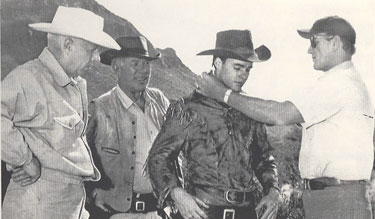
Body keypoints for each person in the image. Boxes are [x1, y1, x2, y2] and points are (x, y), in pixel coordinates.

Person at [197, 16, 374, 219]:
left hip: (339, 201)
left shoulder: (340, 84)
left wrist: (222, 94)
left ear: (334, 43)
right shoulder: (342, 83)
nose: (310, 50)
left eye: (314, 42)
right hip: (331, 198)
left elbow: (278, 114)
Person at [1, 6, 120, 219]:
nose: (95, 59)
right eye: (91, 50)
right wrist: (24, 159)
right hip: (39, 204)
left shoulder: (76, 85)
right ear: (68, 45)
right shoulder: (28, 78)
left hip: (69, 202)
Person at [148, 29, 281, 219]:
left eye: (248, 69)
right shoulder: (188, 108)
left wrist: (273, 190)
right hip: (202, 212)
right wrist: (177, 194)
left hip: (247, 212)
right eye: (238, 68)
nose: (244, 75)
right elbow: (158, 157)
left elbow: (264, 157)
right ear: (218, 63)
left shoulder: (249, 110)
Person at [85, 35, 170, 219]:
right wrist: (92, 192)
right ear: (117, 68)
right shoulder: (99, 108)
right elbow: (80, 156)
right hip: (118, 214)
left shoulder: (160, 101)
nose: (143, 71)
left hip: (160, 212)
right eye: (135, 64)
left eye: (146, 64)